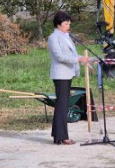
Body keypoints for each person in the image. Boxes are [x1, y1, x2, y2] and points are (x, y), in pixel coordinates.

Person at [48, 11, 88, 145]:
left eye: (69, 23)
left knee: (62, 105)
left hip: (67, 74)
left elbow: (73, 54)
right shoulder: (54, 38)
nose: (68, 26)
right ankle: (62, 136)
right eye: (66, 23)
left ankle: (58, 135)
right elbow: (60, 57)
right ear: (58, 24)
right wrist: (79, 59)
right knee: (62, 105)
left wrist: (86, 60)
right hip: (60, 75)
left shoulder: (66, 36)